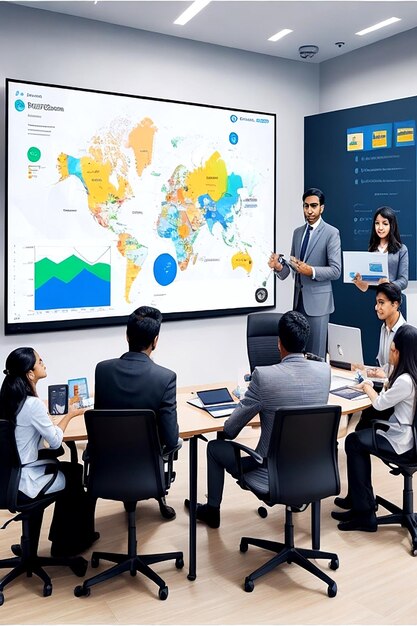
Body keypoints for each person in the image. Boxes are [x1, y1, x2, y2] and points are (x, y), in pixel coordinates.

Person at [184, 310, 331, 528]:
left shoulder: (264, 377)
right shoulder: (324, 372)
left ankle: (212, 511)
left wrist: (249, 399)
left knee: (215, 448)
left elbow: (231, 429)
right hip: (311, 471)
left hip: (270, 473)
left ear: (279, 343)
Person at [0, 347, 98, 557]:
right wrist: (70, 415)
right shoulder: (33, 405)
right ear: (30, 374)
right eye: (40, 361)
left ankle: (31, 549)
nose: (43, 363)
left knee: (69, 470)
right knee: (73, 475)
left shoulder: (7, 401)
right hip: (24, 481)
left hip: (6, 479)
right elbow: (54, 442)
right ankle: (66, 546)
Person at [94, 305, 180, 520]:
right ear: (156, 341)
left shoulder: (102, 370)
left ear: (127, 335)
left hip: (108, 466)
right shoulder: (165, 378)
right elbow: (171, 440)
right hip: (148, 470)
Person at [332, 324, 417, 532]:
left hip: (402, 442)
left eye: (393, 350)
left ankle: (365, 514)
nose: (390, 353)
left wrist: (368, 387)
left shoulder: (405, 381)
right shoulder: (411, 375)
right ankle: (359, 501)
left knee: (354, 442)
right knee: (361, 433)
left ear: (400, 352)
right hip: (411, 438)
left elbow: (379, 404)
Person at [268, 188, 341, 359]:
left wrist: (311, 271)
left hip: (318, 304)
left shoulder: (331, 233)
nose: (309, 210)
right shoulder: (297, 233)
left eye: (314, 206)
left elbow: (336, 270)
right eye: (306, 206)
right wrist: (279, 267)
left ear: (321, 208)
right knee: (298, 356)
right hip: (298, 303)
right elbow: (294, 268)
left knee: (315, 356)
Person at [352, 282, 406, 432]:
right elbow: (383, 364)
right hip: (383, 386)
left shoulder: (404, 334)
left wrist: (387, 374)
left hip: (394, 398)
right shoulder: (384, 327)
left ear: (395, 304)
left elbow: (405, 374)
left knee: (361, 428)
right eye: (376, 303)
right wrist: (368, 369)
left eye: (381, 303)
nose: (376, 307)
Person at [352, 206, 408, 294]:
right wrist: (361, 284)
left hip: (393, 298)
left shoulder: (401, 249)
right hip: (377, 298)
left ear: (392, 225)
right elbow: (370, 283)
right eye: (377, 223)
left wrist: (389, 285)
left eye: (385, 224)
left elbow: (404, 281)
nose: (380, 228)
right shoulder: (372, 249)